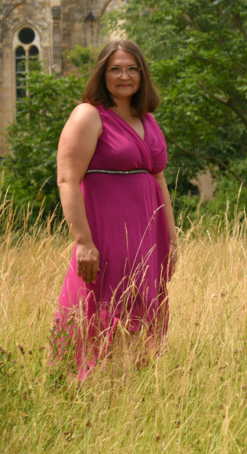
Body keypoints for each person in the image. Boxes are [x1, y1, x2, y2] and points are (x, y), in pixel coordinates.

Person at [52, 40, 176, 380]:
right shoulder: (88, 114)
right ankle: (83, 382)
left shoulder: (148, 119)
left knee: (141, 307)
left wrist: (171, 238)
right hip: (106, 232)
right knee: (103, 304)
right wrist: (83, 241)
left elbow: (159, 179)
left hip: (147, 233)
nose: (125, 76)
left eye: (132, 69)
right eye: (116, 69)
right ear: (102, 73)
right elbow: (67, 179)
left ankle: (129, 385)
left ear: (142, 74)